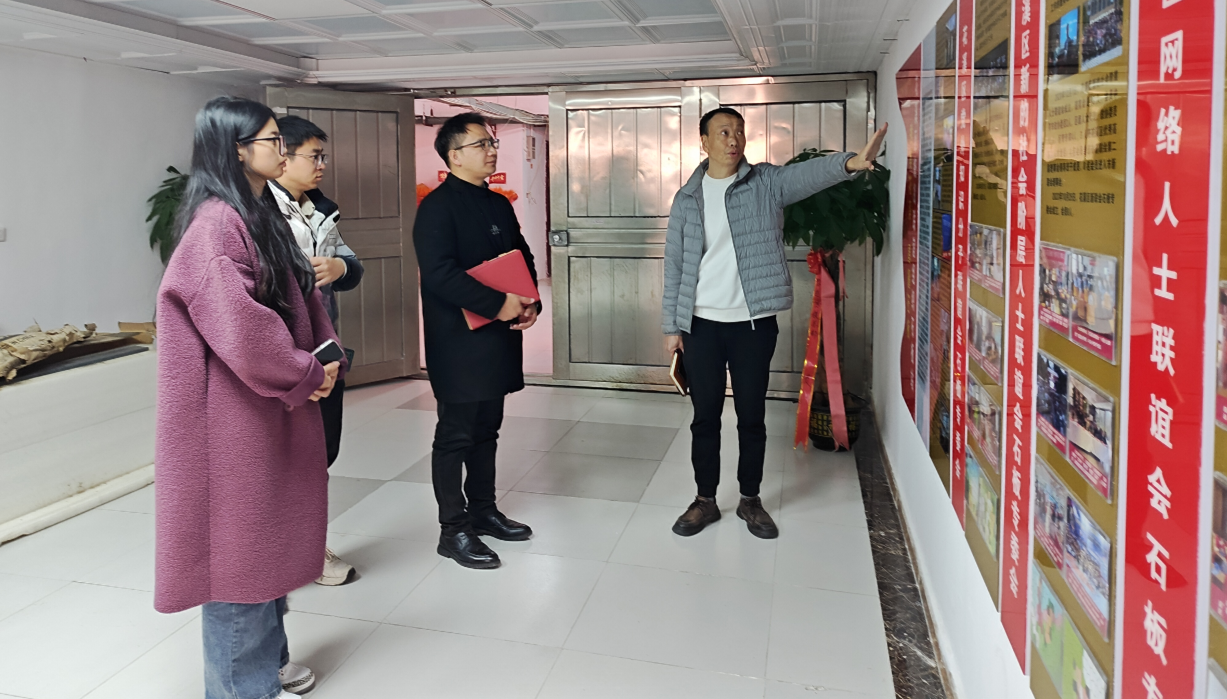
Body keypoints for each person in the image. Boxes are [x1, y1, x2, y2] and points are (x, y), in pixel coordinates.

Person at [154, 96, 345, 698]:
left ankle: (270, 664)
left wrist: (325, 357)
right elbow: (241, 329)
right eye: (272, 141)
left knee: (267, 544)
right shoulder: (217, 225)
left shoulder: (257, 212)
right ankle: (241, 688)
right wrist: (304, 371)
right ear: (236, 150)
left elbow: (302, 299)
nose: (283, 151)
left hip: (265, 409)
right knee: (239, 559)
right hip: (231, 421)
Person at [661, 107, 887, 539]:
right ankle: (705, 499)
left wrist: (851, 162)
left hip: (752, 324)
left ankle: (750, 498)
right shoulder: (687, 198)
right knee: (705, 418)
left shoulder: (765, 182)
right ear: (703, 142)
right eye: (723, 132)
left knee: (752, 416)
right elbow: (674, 264)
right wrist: (673, 327)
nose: (733, 139)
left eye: (739, 131)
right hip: (700, 325)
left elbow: (807, 176)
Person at [414, 112, 539, 570]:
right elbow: (439, 274)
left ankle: (484, 510)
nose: (491, 151)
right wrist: (497, 303)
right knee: (456, 434)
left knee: (488, 429)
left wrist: (529, 301)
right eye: (481, 144)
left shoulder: (497, 203)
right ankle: (453, 529)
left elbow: (521, 254)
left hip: (497, 336)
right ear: (453, 156)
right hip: (458, 342)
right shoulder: (436, 208)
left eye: (491, 143)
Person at [271, 114, 365, 586]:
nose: (322, 164)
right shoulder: (257, 213)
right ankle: (296, 552)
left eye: (322, 155)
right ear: (281, 157)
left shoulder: (321, 209)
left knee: (322, 451)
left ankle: (305, 546)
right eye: (314, 156)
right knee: (286, 457)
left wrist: (338, 268)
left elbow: (351, 262)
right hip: (283, 354)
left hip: (324, 347)